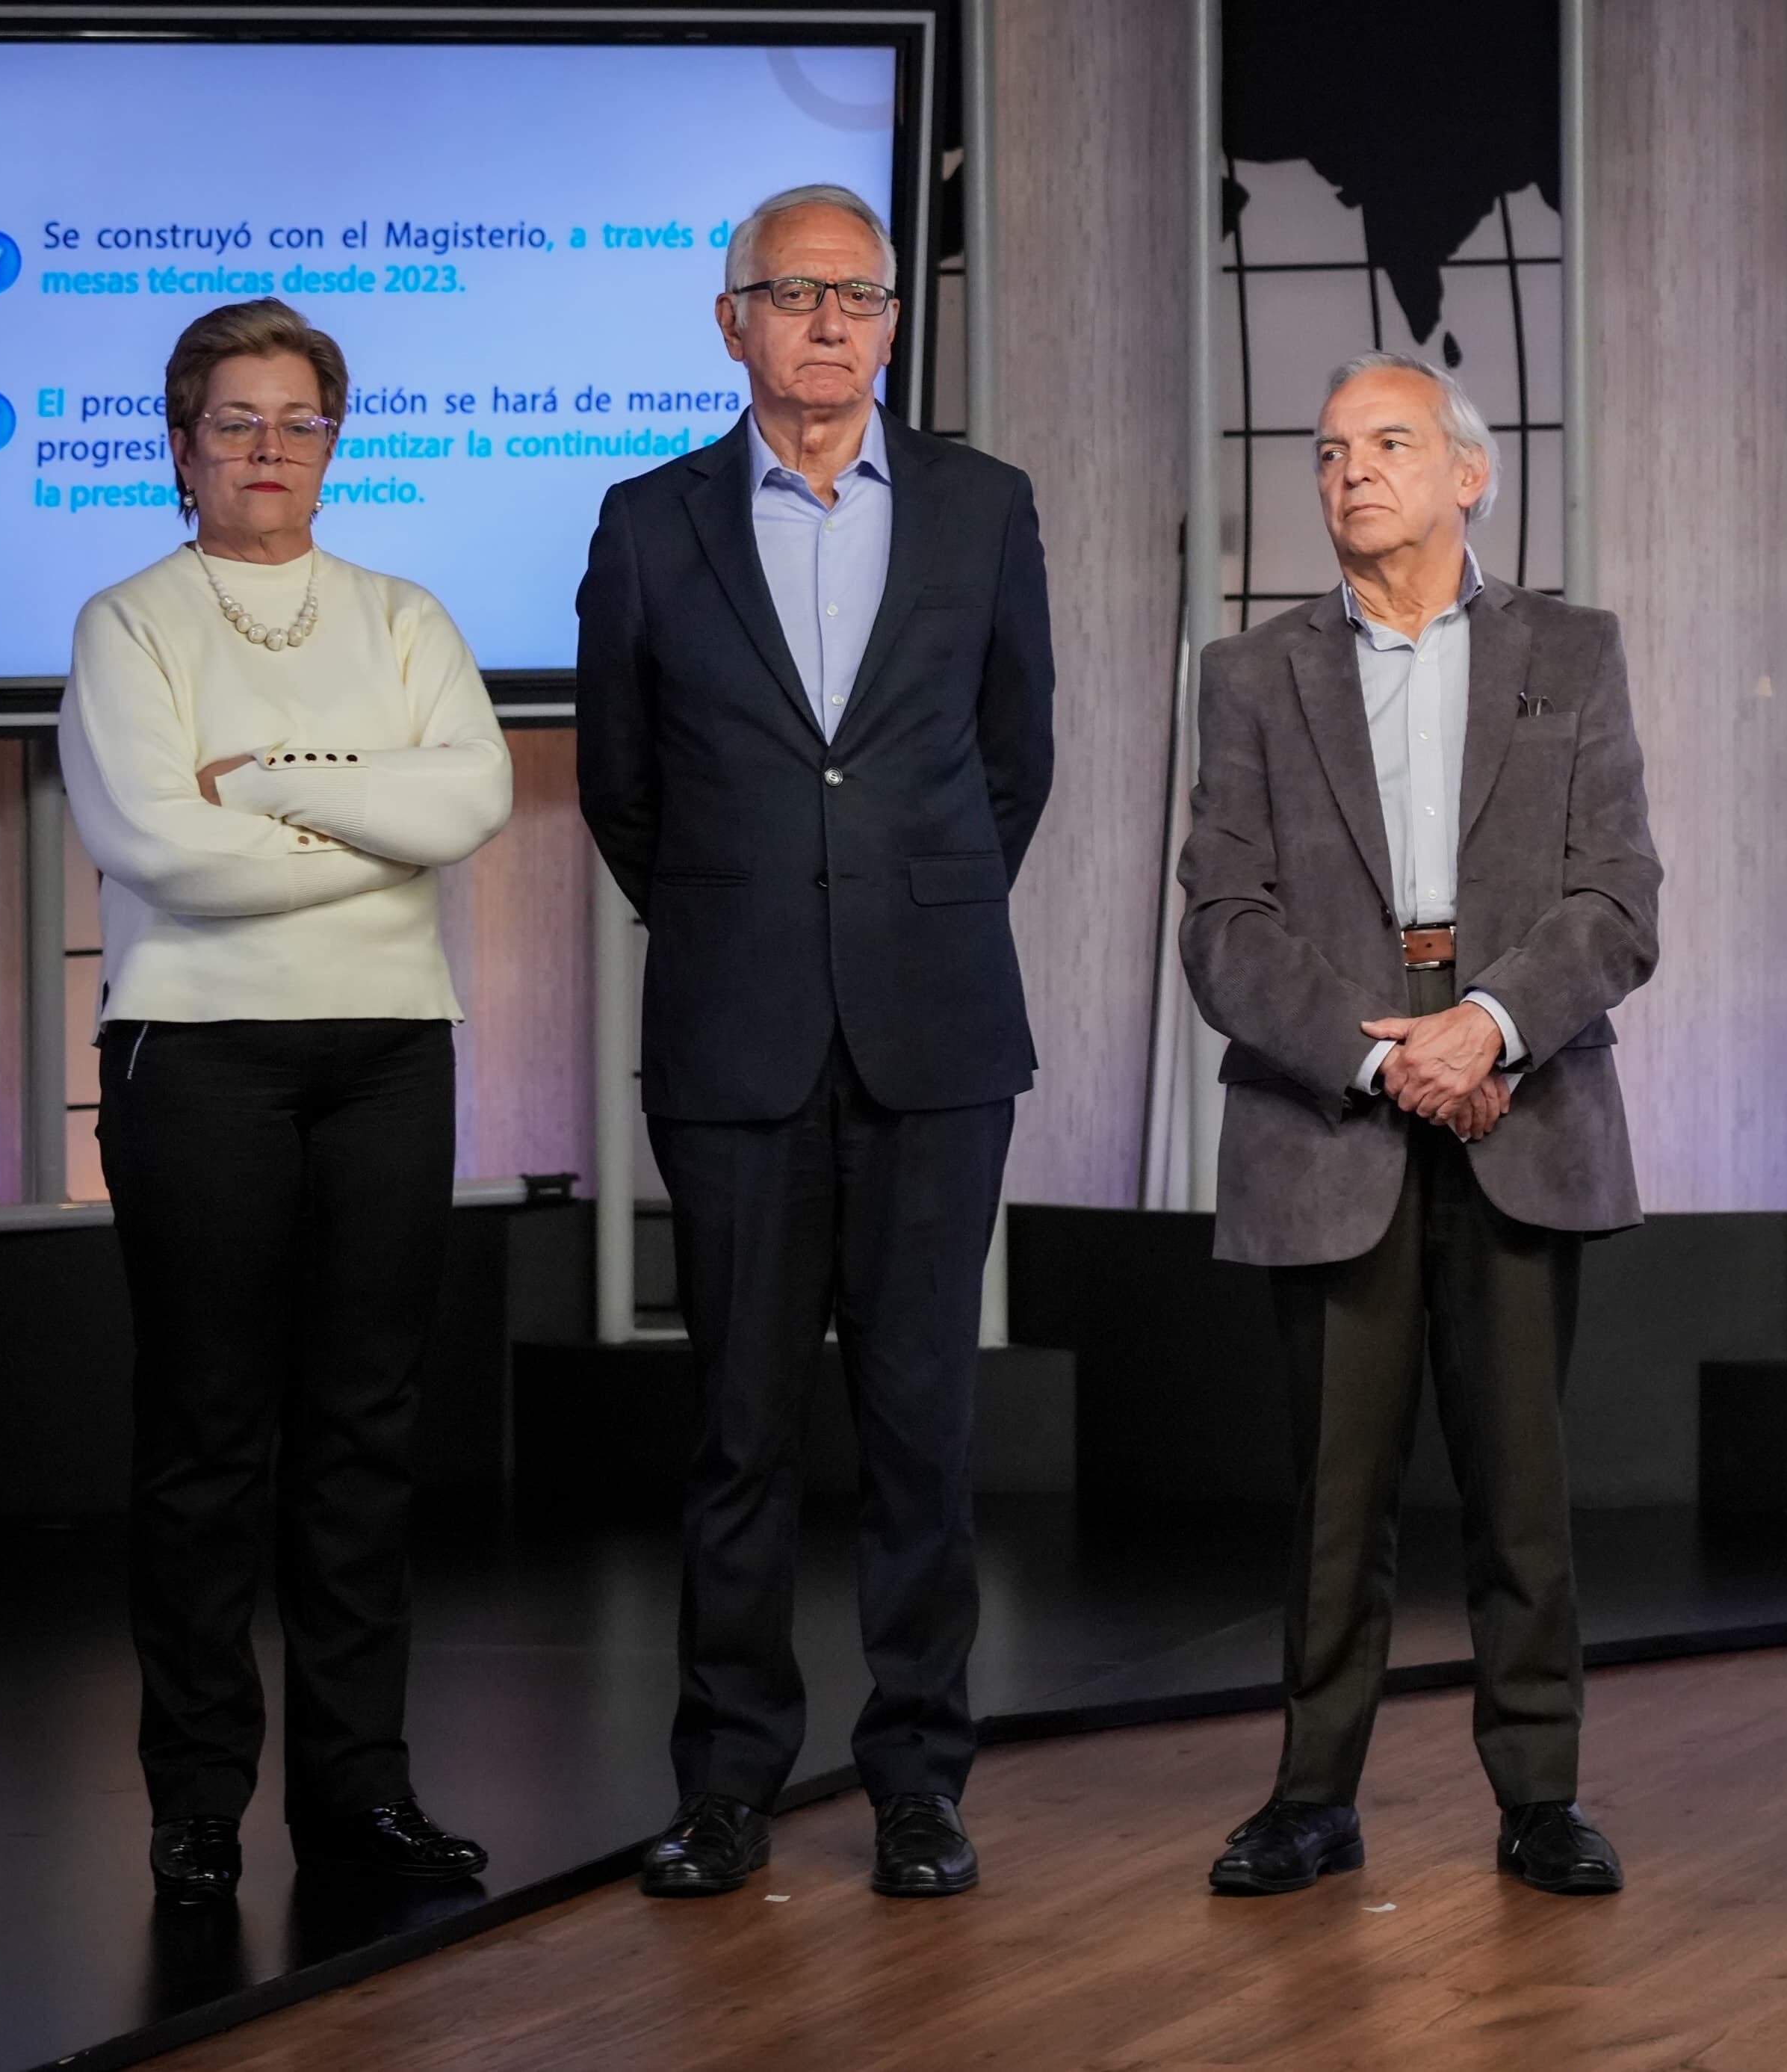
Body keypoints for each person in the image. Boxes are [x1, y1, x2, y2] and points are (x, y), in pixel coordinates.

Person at [574, 183, 1055, 1901]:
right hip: (734, 1031)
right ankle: (725, 1787)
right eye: (794, 295)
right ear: (733, 324)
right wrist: (755, 911)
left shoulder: (983, 509)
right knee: (739, 1430)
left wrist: (891, 908)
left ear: (891, 323)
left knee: (923, 1427)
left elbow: (1017, 761)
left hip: (935, 1032)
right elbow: (622, 789)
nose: (831, 324)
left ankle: (917, 1778)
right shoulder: (647, 524)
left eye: (857, 295)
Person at [1177, 351, 1661, 1898]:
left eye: (1386, 444)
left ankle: (1539, 1796)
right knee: (1335, 1495)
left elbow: (1618, 900)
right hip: (1336, 1103)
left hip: (1519, 1086)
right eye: (1326, 453)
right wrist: (1384, 1058)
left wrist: (1487, 1026)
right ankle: (1310, 1797)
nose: (1349, 474)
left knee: (1521, 1488)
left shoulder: (1569, 653)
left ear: (1470, 473)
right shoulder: (1249, 675)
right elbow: (1223, 924)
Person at [59, 298, 515, 1906]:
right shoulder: (130, 623)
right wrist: (362, 827)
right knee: (206, 1439)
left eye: (298, 421)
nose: (268, 450)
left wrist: (256, 780)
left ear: (335, 442)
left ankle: (355, 1799)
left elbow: (470, 796)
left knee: (365, 1437)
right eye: (236, 421)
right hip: (197, 1053)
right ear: (181, 445)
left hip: (392, 1045)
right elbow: (149, 845)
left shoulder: (403, 614)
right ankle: (195, 1811)